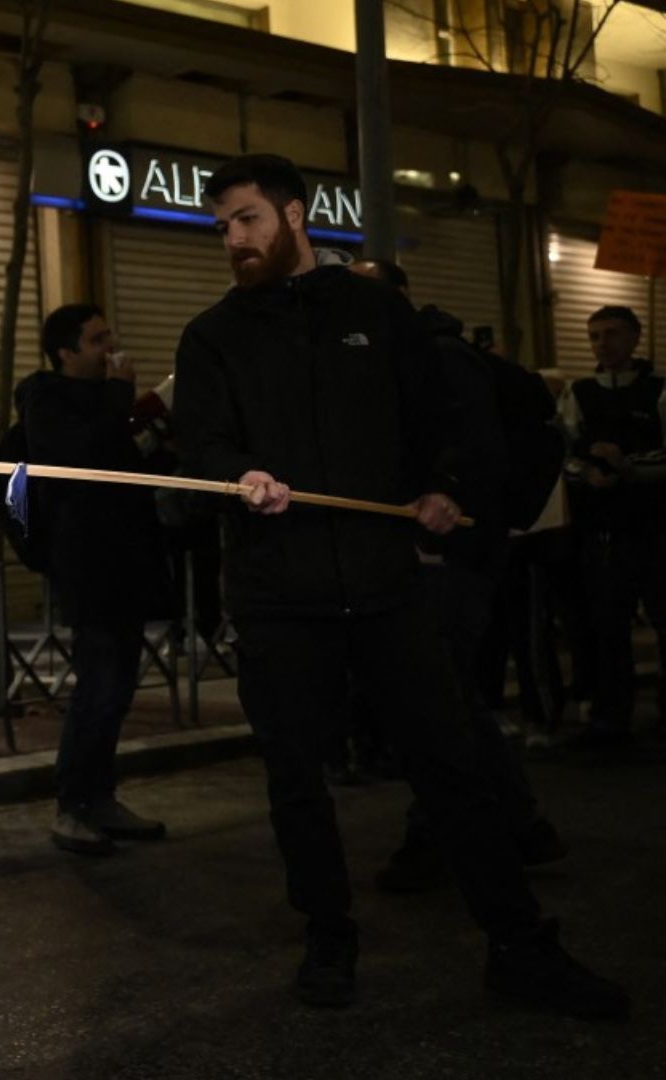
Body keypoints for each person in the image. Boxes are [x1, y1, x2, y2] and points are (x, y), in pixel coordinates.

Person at [170, 153, 625, 1017]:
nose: (232, 239)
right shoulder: (213, 338)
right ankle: (329, 939)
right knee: (297, 780)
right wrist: (241, 473)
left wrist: (451, 488)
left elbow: (454, 422)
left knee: (451, 765)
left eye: (248, 219)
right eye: (222, 225)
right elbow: (203, 447)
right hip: (278, 596)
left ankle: (520, 944)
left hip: (386, 585)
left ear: (295, 216)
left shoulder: (377, 314)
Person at [345, 258, 567, 892]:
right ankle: (519, 825)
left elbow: (472, 454)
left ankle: (441, 835)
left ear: (399, 299)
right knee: (450, 700)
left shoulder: (439, 358)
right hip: (433, 553)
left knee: (433, 702)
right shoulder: (398, 359)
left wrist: (437, 516)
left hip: (450, 554)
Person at [13, 305, 172, 856]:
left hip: (128, 561)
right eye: (97, 339)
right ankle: (73, 805)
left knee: (119, 687)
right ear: (66, 353)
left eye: (109, 335)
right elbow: (81, 459)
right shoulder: (46, 398)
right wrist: (120, 399)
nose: (110, 347)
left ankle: (100, 797)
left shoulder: (106, 401)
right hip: (89, 565)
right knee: (99, 686)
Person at [557, 305, 665, 747]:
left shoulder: (658, 392)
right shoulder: (578, 393)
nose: (604, 344)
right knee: (607, 628)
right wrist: (588, 474)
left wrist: (628, 468)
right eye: (595, 336)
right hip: (604, 533)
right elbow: (563, 454)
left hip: (656, 528)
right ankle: (610, 717)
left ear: (636, 338)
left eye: (613, 334)